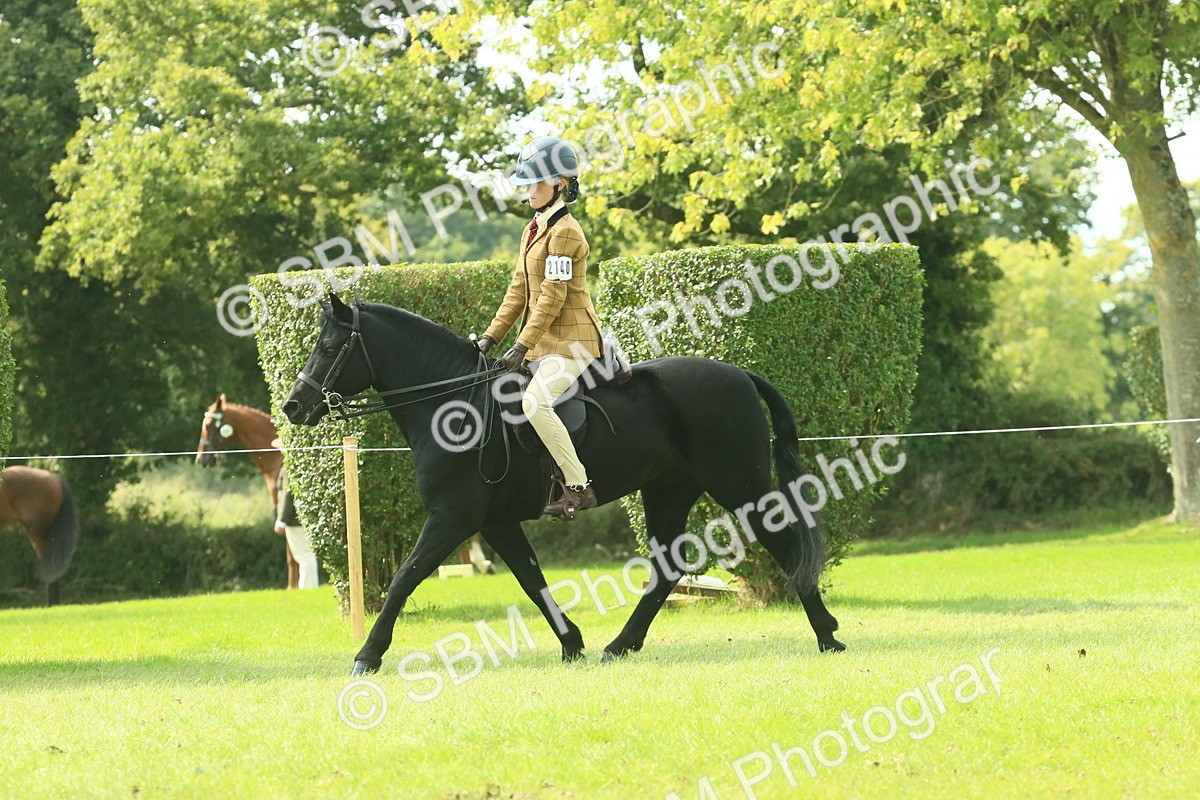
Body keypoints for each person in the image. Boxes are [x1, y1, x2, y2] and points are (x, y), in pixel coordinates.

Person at [476, 136, 604, 519]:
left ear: (560, 183)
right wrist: (490, 337)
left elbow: (552, 296)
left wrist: (521, 344)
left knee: (535, 402)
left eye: (535, 183)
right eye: (526, 183)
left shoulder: (566, 231)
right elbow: (518, 290)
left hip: (572, 343)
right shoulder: (533, 228)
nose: (528, 191)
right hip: (542, 343)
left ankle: (579, 486)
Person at [273, 440, 319, 589]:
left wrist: (281, 520)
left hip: (293, 520)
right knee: (306, 554)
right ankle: (309, 586)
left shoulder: (288, 467)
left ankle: (307, 587)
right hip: (298, 519)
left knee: (303, 555)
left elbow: (287, 495)